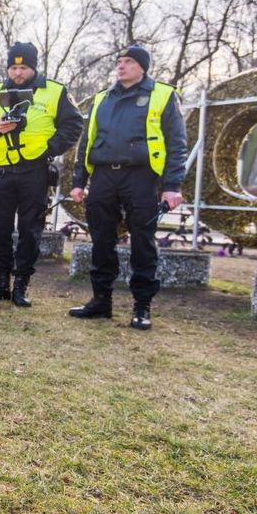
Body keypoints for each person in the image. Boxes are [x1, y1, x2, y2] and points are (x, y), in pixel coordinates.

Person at [69, 44, 188, 330]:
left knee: (143, 241)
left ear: (142, 68)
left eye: (129, 62)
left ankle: (142, 306)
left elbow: (177, 144)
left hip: (141, 176)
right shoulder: (102, 98)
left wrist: (171, 186)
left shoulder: (162, 95)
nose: (121, 66)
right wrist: (78, 181)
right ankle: (101, 301)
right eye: (119, 61)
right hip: (103, 175)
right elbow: (87, 141)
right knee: (101, 239)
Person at [0, 41, 83, 307]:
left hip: (34, 170)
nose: (17, 73)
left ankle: (21, 283)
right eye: (13, 67)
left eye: (23, 67)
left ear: (33, 67)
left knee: (30, 231)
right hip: (1, 170)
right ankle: (0, 281)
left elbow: (74, 124)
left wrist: (50, 149)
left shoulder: (54, 91)